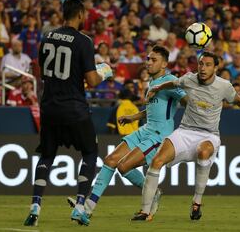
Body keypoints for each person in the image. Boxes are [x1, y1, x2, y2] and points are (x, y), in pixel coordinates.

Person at [131, 51, 240, 221]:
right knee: (157, 161)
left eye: (207, 65)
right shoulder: (189, 78)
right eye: (201, 64)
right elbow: (172, 82)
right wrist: (157, 88)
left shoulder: (224, 86)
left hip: (209, 135)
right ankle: (145, 211)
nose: (203, 68)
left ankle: (197, 202)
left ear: (216, 68)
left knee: (203, 152)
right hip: (185, 131)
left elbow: (237, 100)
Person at [67, 45, 187, 221]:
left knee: (123, 166)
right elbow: (154, 108)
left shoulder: (170, 82)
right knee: (110, 160)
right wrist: (134, 117)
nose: (148, 63)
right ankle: (87, 208)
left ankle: (153, 193)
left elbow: (187, 100)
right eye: (148, 59)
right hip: (145, 129)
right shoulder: (152, 82)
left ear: (164, 64)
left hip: (158, 136)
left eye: (154, 60)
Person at [23, 0, 113, 227]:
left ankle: (35, 207)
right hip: (74, 108)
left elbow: (46, 74)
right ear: (81, 14)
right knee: (90, 152)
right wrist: (105, 72)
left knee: (47, 155)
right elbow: (92, 81)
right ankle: (80, 206)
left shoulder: (47, 37)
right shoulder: (84, 41)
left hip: (50, 107)